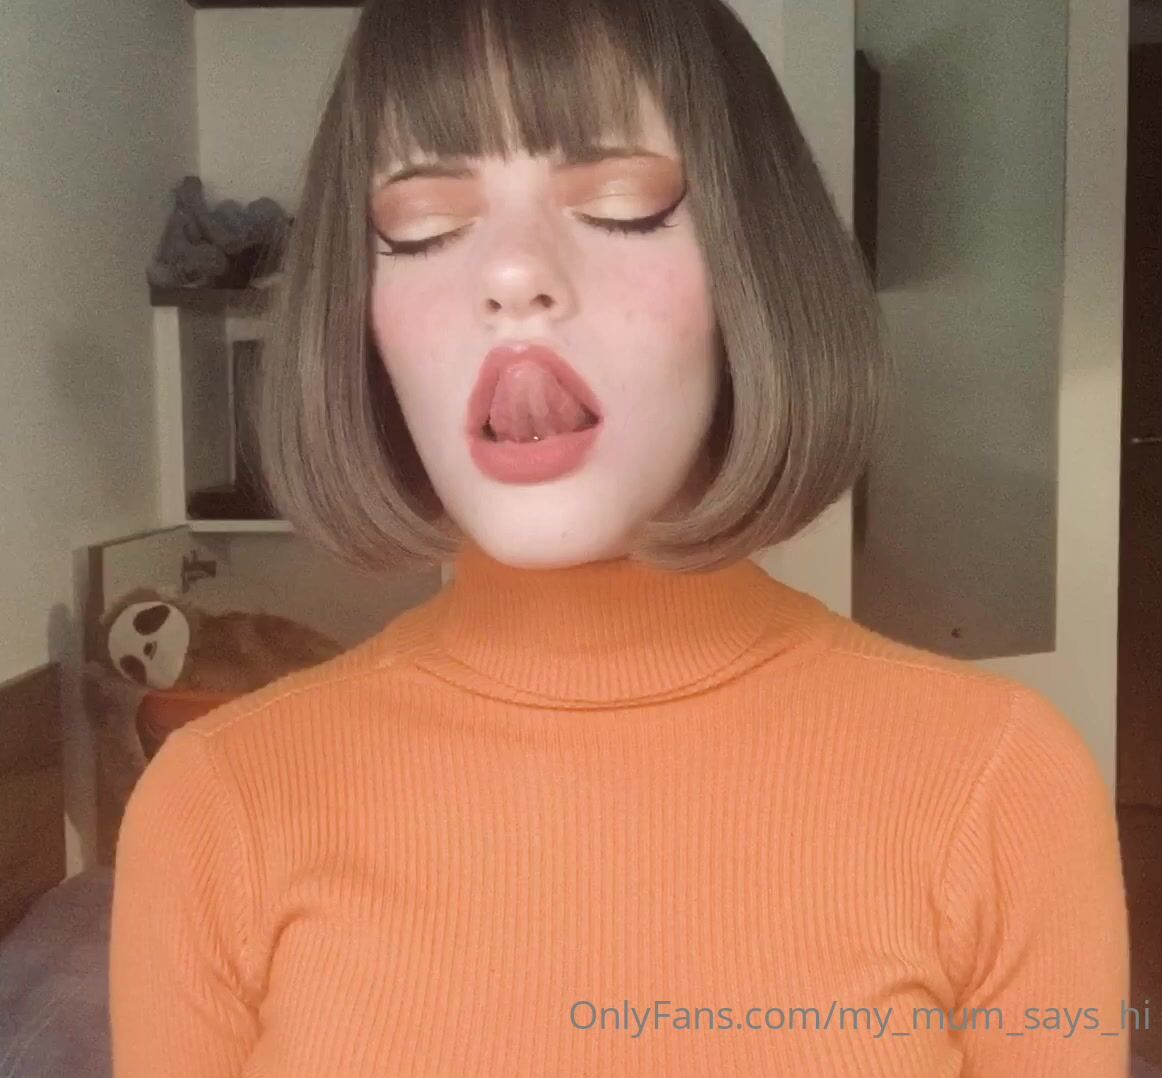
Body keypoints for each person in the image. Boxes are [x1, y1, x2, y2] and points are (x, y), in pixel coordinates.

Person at [108, 0, 1131, 1073]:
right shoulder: (215, 803)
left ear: (753, 264)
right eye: (423, 220)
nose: (513, 274)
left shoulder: (1001, 786)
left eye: (620, 201)